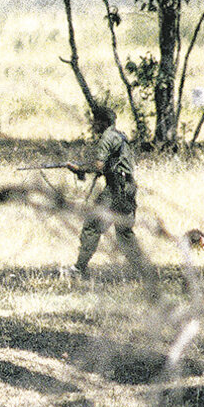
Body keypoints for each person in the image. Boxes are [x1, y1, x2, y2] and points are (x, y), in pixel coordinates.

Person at [64, 106, 146, 278]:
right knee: (124, 232)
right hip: (128, 188)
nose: (94, 125)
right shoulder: (120, 135)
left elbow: (99, 166)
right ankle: (144, 271)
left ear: (104, 122)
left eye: (96, 121)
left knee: (92, 227)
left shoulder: (106, 138)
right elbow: (112, 164)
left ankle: (79, 269)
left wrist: (79, 168)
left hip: (115, 190)